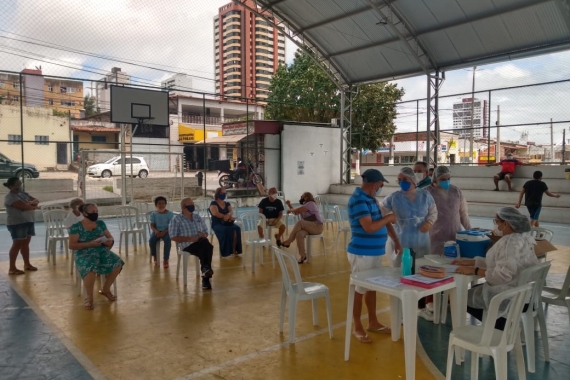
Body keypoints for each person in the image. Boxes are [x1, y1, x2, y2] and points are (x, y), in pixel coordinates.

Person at [452, 207, 538, 330]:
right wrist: (472, 262)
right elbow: (500, 263)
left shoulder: (509, 243)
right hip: (527, 295)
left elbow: (501, 276)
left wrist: (474, 270)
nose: (495, 226)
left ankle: (501, 327)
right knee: (476, 290)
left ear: (506, 223)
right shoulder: (523, 238)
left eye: (496, 222)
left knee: (460, 296)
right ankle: (502, 325)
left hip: (511, 297)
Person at [347, 169, 399, 343]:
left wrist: (396, 240)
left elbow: (383, 221)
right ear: (376, 184)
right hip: (362, 253)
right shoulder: (358, 200)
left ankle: (373, 321)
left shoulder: (371, 200)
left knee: (371, 287)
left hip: (374, 252)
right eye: (381, 184)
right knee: (359, 289)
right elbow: (369, 227)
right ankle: (357, 326)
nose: (381, 187)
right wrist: (390, 217)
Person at [381, 167, 437, 321]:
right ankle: (400, 313)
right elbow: (381, 212)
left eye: (404, 179)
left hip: (422, 241)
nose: (401, 183)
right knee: (402, 276)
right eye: (399, 180)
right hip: (401, 241)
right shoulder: (393, 197)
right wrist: (388, 218)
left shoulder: (425, 196)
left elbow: (433, 212)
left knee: (420, 274)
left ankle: (420, 307)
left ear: (413, 180)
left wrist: (429, 222)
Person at [69, 203, 124, 310]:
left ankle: (106, 289)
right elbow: (72, 245)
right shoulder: (76, 227)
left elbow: (110, 238)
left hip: (101, 250)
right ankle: (89, 298)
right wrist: (89, 244)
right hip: (84, 252)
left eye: (97, 211)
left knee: (117, 262)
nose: (96, 214)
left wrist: (108, 241)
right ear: (85, 213)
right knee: (90, 267)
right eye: (93, 212)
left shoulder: (100, 224)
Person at [170, 197, 215, 289]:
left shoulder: (197, 217)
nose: (192, 206)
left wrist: (204, 234)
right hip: (187, 245)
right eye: (190, 205)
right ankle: (205, 277)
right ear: (183, 207)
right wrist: (190, 239)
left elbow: (206, 232)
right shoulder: (176, 220)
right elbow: (173, 237)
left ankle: (205, 271)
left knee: (204, 243)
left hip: (200, 242)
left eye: (193, 204)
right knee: (208, 247)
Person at [425, 166, 471, 255]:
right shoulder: (427, 193)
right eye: (442, 179)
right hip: (435, 237)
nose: (446, 181)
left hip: (455, 235)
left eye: (448, 178)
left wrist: (470, 230)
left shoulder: (456, 191)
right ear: (435, 180)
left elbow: (463, 214)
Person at [3, 177, 39, 275]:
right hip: (17, 224)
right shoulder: (10, 197)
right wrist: (31, 204)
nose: (19, 187)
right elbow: (25, 207)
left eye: (20, 184)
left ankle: (27, 264)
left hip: (28, 221)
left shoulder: (23, 194)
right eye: (17, 185)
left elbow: (36, 200)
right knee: (17, 244)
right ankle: (12, 268)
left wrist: (31, 203)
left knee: (25, 244)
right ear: (11, 186)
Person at [277, 192, 323, 263]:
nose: (301, 198)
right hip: (309, 227)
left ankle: (289, 241)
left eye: (302, 197)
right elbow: (296, 212)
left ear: (307, 197)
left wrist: (290, 210)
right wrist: (289, 205)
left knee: (300, 222)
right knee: (299, 234)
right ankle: (302, 256)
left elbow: (297, 210)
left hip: (317, 226)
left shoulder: (310, 203)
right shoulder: (305, 206)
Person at [209, 187, 242, 257]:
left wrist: (228, 215)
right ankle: (225, 252)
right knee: (226, 230)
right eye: (223, 193)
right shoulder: (213, 203)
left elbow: (231, 211)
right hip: (217, 223)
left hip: (227, 222)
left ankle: (234, 249)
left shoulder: (227, 203)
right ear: (218, 194)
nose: (224, 195)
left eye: (225, 193)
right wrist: (225, 216)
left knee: (237, 228)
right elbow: (215, 213)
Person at [149, 196, 175, 268]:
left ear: (165, 204)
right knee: (151, 240)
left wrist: (164, 232)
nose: (161, 205)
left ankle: (166, 259)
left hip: (167, 231)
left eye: (163, 203)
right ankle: (155, 256)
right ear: (156, 205)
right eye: (159, 203)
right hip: (157, 231)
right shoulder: (153, 214)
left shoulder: (170, 214)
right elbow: (152, 225)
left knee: (168, 241)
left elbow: (171, 225)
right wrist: (156, 231)